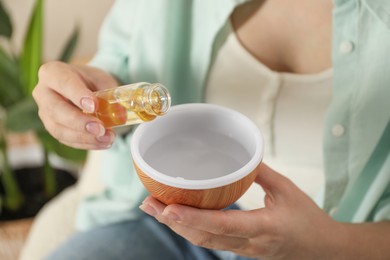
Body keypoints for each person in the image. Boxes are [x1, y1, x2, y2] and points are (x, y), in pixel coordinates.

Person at [32, 0, 390, 259]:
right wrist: (95, 96)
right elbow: (124, 61)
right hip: (171, 227)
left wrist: (328, 244)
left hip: (340, 242)